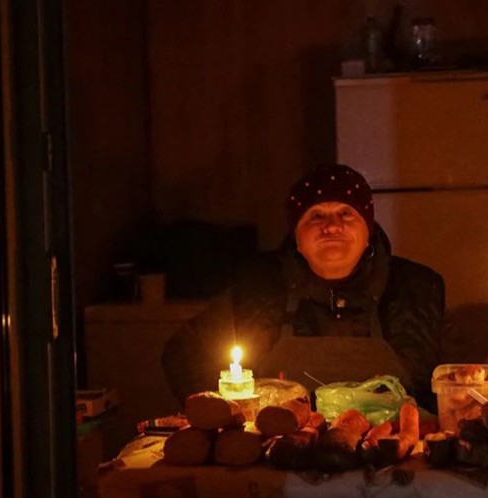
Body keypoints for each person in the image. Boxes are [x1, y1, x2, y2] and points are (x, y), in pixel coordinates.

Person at [162, 164, 445, 410]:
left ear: (368, 230)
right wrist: (219, 417)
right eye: (316, 216)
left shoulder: (418, 289)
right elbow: (184, 354)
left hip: (394, 453)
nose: (332, 226)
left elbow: (452, 381)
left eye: (346, 213)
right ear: (296, 235)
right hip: (276, 455)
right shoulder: (257, 286)